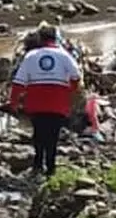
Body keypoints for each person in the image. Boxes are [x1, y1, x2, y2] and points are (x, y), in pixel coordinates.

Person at [8, 24, 81, 178]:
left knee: (38, 134)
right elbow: (76, 77)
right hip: (58, 103)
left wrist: (13, 103)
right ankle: (51, 168)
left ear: (40, 39)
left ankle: (37, 165)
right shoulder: (65, 55)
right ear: (56, 38)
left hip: (36, 104)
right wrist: (70, 92)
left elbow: (18, 83)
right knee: (53, 136)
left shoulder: (30, 56)